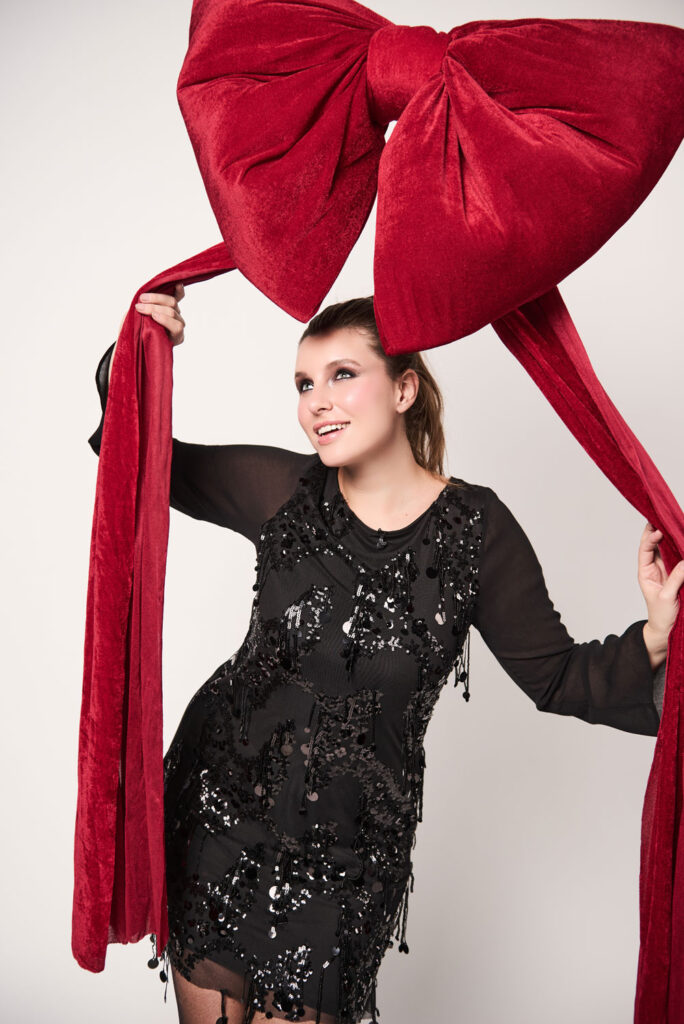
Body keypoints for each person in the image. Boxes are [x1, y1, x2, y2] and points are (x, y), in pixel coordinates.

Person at [88, 284, 676, 1024]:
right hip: (219, 814)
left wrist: (655, 635)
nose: (317, 403)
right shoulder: (282, 490)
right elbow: (141, 459)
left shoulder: (475, 531)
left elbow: (558, 677)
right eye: (304, 384)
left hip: (345, 863)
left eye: (342, 375)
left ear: (404, 389)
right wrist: (137, 355)